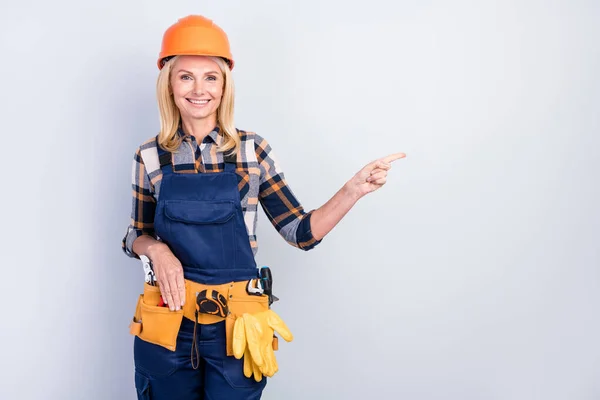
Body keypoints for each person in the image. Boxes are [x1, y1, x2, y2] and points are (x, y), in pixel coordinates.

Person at [122, 14, 405, 400]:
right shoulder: (150, 155)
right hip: (168, 317)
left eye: (211, 77)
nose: (198, 89)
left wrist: (352, 190)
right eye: (185, 76)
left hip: (238, 321)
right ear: (169, 85)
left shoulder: (250, 151)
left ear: (224, 87)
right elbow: (135, 235)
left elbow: (300, 232)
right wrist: (156, 248)